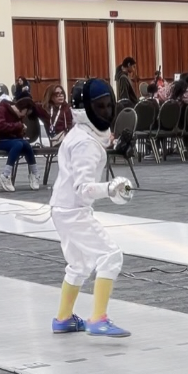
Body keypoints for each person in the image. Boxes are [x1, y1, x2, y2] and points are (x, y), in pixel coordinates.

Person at [50, 79, 133, 338]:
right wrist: (110, 188)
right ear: (85, 109)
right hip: (73, 210)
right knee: (111, 256)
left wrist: (117, 148)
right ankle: (98, 318)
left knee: (79, 264)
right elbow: (83, 188)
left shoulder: (81, 134)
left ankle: (63, 318)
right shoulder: (85, 143)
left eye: (109, 105)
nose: (107, 111)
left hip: (62, 208)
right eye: (100, 106)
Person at [0, 96, 41, 192]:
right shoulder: (2, 109)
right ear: (23, 109)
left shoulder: (18, 116)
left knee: (26, 144)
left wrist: (21, 131)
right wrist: (18, 126)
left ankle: (35, 173)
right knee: (18, 144)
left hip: (9, 140)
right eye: (26, 113)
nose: (25, 116)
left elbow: (15, 131)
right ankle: (5, 175)